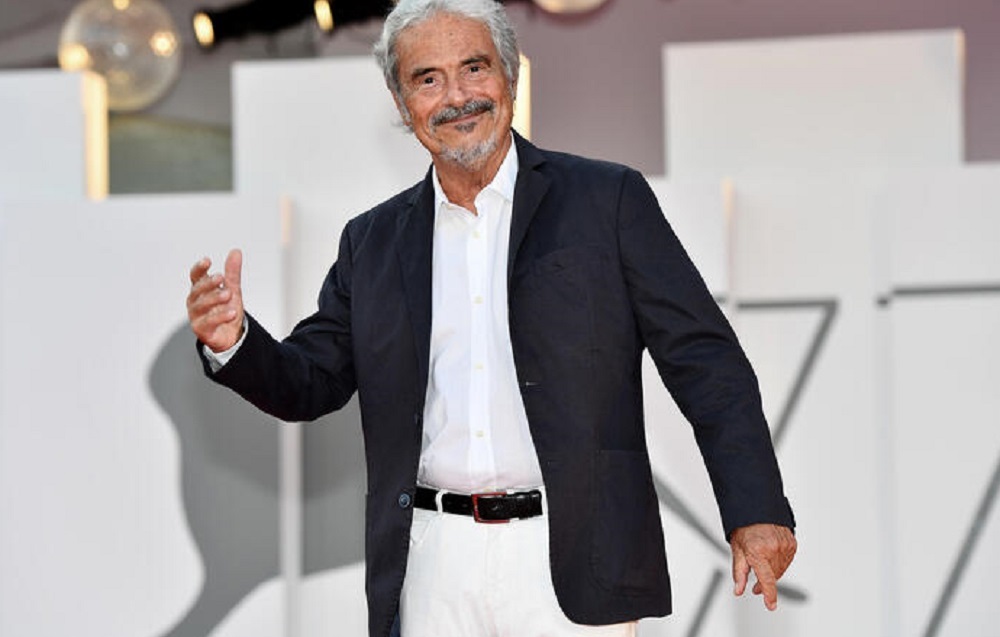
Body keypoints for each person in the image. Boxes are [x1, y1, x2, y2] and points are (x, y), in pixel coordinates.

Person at [186, 0, 797, 635]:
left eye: (474, 68)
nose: (457, 97)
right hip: (432, 566)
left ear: (510, 76)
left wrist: (755, 506)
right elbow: (311, 379)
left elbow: (705, 361)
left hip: (573, 562)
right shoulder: (372, 242)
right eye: (428, 79)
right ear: (402, 104)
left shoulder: (606, 201)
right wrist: (235, 342)